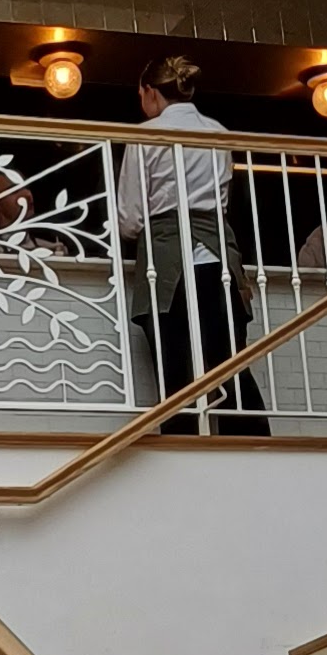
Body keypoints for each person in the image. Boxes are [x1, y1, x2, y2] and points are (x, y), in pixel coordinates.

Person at [117, 51, 270, 436]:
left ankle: (181, 450)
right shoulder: (217, 132)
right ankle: (255, 445)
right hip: (219, 258)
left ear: (151, 91)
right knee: (230, 364)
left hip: (167, 264)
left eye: (141, 94)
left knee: (175, 371)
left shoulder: (146, 135)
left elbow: (130, 218)